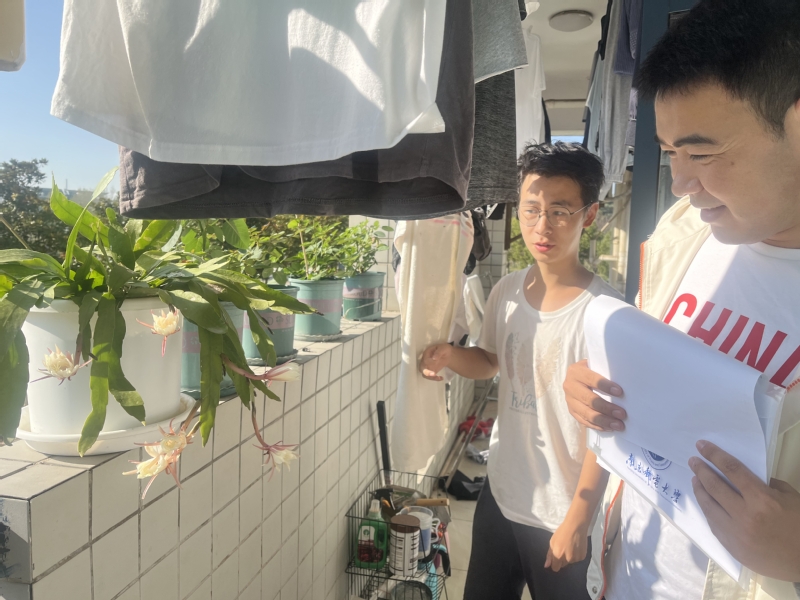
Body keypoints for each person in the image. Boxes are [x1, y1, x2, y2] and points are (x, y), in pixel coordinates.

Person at [560, 1, 800, 599]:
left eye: (702, 153)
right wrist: (599, 392)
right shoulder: (683, 233)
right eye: (670, 152)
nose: (681, 183)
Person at [419, 142, 622, 600]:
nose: (541, 226)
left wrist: (579, 520)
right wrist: (451, 356)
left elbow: (607, 429)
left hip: (561, 511)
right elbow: (490, 361)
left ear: (589, 216)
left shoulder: (605, 314)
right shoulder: (507, 291)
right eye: (531, 210)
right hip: (501, 495)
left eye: (560, 212)